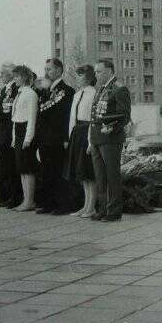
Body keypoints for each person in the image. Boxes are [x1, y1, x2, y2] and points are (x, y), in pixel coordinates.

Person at [89, 59, 131, 221]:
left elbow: (124, 115)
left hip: (111, 138)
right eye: (96, 72)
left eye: (99, 71)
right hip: (97, 137)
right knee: (100, 176)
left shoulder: (119, 89)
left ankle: (113, 211)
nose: (96, 75)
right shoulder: (101, 89)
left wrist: (113, 127)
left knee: (111, 175)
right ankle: (102, 209)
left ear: (109, 71)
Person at [35, 58, 75, 215]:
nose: (46, 72)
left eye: (50, 69)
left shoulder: (67, 90)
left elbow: (66, 117)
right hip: (44, 137)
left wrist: (66, 138)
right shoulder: (45, 91)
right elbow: (41, 114)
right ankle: (48, 203)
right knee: (46, 171)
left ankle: (62, 204)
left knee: (58, 171)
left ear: (59, 70)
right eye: (45, 69)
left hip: (58, 137)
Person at [64, 65, 98, 218]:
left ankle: (92, 207)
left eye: (80, 76)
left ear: (89, 78)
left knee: (89, 172)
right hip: (77, 133)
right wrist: (70, 136)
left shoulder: (93, 94)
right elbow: (72, 117)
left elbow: (93, 119)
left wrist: (91, 142)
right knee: (82, 173)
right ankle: (85, 206)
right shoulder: (77, 95)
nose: (77, 79)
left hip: (87, 132)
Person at [0, 62, 22, 207]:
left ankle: (14, 198)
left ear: (11, 74)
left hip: (11, 134)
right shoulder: (4, 90)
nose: (0, 75)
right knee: (4, 167)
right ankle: (6, 196)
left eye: (3, 73)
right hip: (2, 135)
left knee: (12, 168)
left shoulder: (17, 89)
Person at [10, 66, 39, 211]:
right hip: (18, 131)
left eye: (17, 76)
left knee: (28, 168)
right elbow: (15, 117)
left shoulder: (31, 94)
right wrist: (14, 137)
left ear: (24, 77)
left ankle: (30, 200)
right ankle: (25, 198)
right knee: (21, 169)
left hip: (27, 131)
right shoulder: (19, 93)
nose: (15, 79)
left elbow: (31, 117)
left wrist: (28, 138)